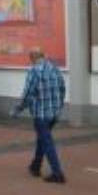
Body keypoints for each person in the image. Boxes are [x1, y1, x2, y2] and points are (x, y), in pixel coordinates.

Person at [11, 46, 66, 183]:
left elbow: (27, 94)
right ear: (43, 55)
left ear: (33, 58)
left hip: (41, 114)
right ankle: (35, 166)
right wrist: (59, 106)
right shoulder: (55, 69)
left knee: (47, 142)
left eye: (30, 59)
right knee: (42, 139)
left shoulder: (34, 71)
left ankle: (57, 173)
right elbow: (62, 88)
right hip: (54, 114)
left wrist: (17, 109)